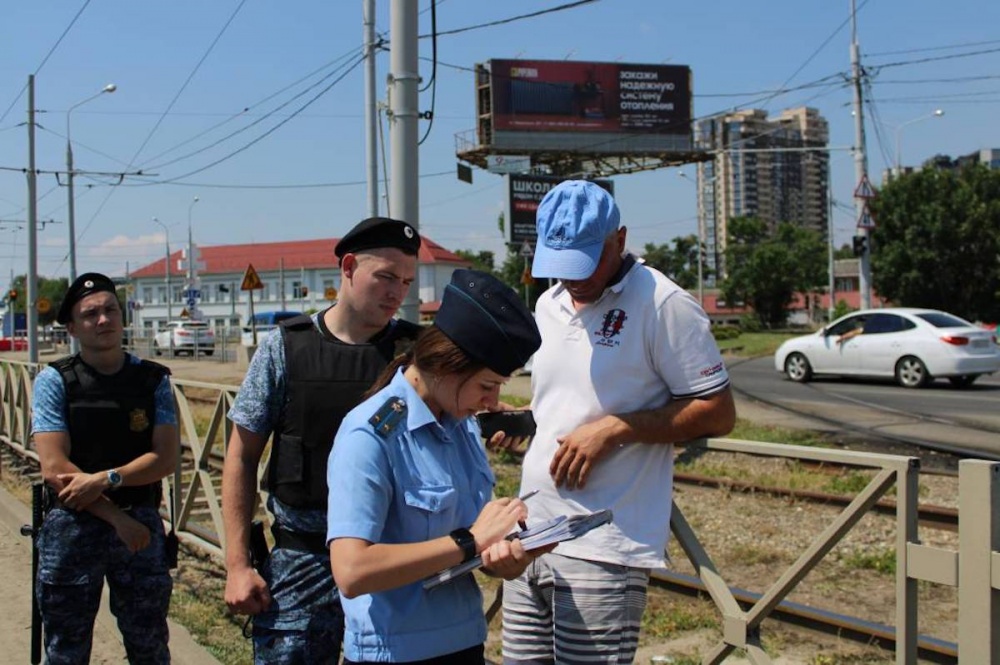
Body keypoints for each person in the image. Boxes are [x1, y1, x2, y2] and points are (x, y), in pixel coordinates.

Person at [501, 181, 737, 663]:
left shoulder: (663, 304)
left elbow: (718, 410)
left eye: (585, 263)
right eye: (560, 264)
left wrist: (616, 429)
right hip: (531, 535)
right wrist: (523, 422)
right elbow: (568, 400)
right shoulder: (549, 304)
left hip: (604, 544)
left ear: (620, 239)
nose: (574, 279)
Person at [222, 216, 422, 664]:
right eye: (386, 277)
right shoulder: (285, 346)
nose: (397, 292)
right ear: (349, 267)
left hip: (389, 563)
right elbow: (241, 455)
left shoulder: (419, 354)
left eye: (406, 281)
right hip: (302, 561)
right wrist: (238, 565)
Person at [326, 269, 550, 664]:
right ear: (448, 365)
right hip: (394, 653)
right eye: (486, 386)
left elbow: (467, 545)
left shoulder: (459, 426)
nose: (492, 401)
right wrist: (470, 541)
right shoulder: (370, 435)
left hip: (462, 642)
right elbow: (351, 570)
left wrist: (506, 558)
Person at [31, 272, 179, 664]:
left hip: (140, 523)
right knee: (66, 649)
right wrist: (117, 519)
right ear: (72, 328)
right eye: (90, 314)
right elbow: (54, 468)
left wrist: (107, 478)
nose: (103, 320)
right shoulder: (54, 381)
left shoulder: (152, 380)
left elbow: (165, 458)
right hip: (75, 527)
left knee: (149, 645)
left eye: (110, 310)